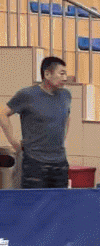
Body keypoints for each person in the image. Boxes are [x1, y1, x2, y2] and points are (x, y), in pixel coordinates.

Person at [1, 56, 72, 188]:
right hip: (34, 163)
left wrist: (62, 139)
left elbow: (67, 117)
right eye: (61, 73)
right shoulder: (27, 95)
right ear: (47, 74)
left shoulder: (66, 95)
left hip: (60, 163)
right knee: (33, 200)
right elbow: (2, 114)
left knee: (59, 200)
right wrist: (14, 142)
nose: (65, 78)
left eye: (65, 74)